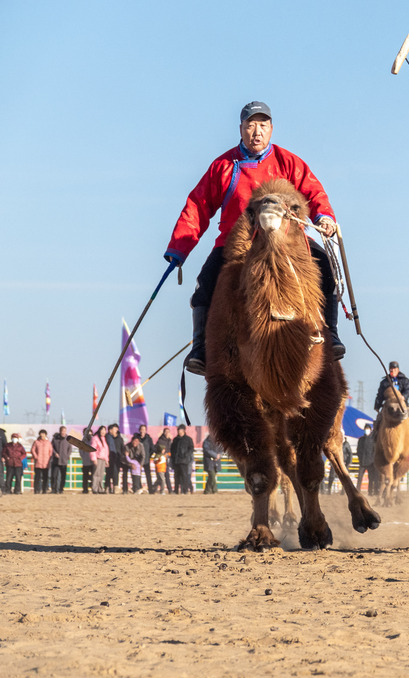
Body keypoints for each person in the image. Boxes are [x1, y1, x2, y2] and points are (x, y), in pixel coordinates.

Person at [166, 101, 344, 375]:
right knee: (205, 286)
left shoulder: (289, 162)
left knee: (326, 270)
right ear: (241, 129)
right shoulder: (224, 166)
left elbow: (314, 192)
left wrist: (324, 216)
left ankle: (329, 334)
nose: (256, 132)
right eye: (250, 125)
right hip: (235, 243)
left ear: (271, 129)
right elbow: (198, 206)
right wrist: (179, 248)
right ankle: (200, 348)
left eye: (262, 125)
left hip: (285, 241)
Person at [170, 426, 194, 494]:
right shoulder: (175, 439)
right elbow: (172, 449)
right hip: (176, 461)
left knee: (184, 476)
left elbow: (191, 449)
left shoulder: (188, 439)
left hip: (184, 461)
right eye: (178, 430)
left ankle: (185, 490)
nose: (179, 431)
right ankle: (176, 490)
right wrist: (173, 457)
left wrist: (186, 455)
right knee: (176, 476)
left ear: (183, 430)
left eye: (180, 430)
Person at [355, 425, 378, 496]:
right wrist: (360, 459)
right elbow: (358, 450)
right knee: (359, 478)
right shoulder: (361, 439)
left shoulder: (373, 439)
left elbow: (375, 451)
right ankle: (357, 492)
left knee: (371, 479)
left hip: (371, 463)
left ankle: (370, 492)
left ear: (371, 430)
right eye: (365, 429)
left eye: (368, 429)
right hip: (362, 462)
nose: (366, 430)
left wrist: (373, 460)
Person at [50, 426, 73, 494]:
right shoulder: (55, 439)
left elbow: (70, 449)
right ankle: (54, 489)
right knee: (54, 475)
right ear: (60, 431)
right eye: (62, 431)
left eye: (64, 431)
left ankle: (61, 489)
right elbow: (51, 447)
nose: (63, 432)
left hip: (64, 460)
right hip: (56, 460)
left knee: (63, 476)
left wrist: (67, 456)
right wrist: (55, 453)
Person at [31, 429, 53, 494]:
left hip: (46, 463)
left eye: (43, 434)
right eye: (41, 434)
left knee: (45, 478)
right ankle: (36, 490)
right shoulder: (36, 442)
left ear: (45, 435)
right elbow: (33, 450)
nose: (42, 436)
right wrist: (36, 456)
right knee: (37, 477)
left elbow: (50, 451)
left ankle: (44, 490)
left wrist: (49, 458)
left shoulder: (48, 443)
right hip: (38, 463)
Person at [134, 424, 155, 493]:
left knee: (148, 475)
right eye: (141, 429)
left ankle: (150, 489)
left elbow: (152, 449)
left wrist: (149, 455)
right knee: (138, 474)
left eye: (144, 429)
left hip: (146, 460)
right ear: (139, 430)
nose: (142, 431)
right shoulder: (136, 438)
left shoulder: (149, 439)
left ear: (146, 431)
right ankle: (139, 488)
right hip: (138, 460)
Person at [91, 426, 109, 494]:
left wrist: (106, 460)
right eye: (102, 430)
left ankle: (100, 488)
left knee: (101, 475)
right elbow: (92, 449)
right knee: (96, 474)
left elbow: (106, 450)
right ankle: (95, 488)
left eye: (104, 430)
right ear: (99, 431)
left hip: (103, 459)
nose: (103, 432)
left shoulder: (104, 439)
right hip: (97, 458)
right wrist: (94, 458)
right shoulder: (95, 438)